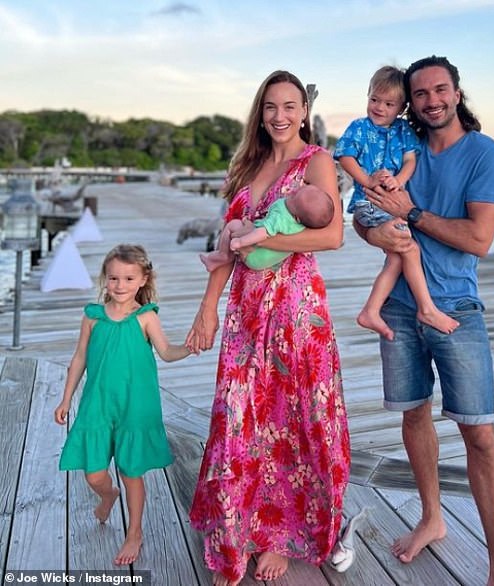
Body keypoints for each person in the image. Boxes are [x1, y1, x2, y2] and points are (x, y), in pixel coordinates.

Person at [354, 56, 494, 586]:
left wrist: (412, 214)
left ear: (456, 91)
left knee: (480, 434)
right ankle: (432, 518)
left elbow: (479, 240)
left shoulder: (486, 155)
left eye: (439, 90)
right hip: (398, 305)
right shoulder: (406, 147)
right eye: (420, 94)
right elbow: (365, 211)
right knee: (413, 414)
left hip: (457, 308)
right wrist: (375, 229)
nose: (430, 101)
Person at [186, 70, 350, 586]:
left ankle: (280, 534)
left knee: (294, 416)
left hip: (296, 308)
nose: (280, 116)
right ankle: (241, 529)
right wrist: (207, 308)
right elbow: (224, 247)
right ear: (260, 113)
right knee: (242, 415)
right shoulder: (248, 166)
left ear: (305, 111)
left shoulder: (316, 162)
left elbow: (332, 238)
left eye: (290, 106)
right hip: (245, 309)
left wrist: (263, 241)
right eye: (270, 107)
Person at [54, 244, 191, 566]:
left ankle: (135, 532)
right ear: (105, 279)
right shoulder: (93, 316)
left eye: (129, 278)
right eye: (113, 278)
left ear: (143, 280)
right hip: (97, 405)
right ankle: (108, 495)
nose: (120, 285)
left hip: (135, 406)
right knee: (94, 475)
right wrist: (66, 398)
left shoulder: (145, 317)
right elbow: (79, 358)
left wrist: (190, 347)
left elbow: (167, 352)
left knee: (132, 471)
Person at [334, 65, 459, 339]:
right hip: (370, 202)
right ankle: (426, 308)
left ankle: (371, 310)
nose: (379, 107)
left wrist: (398, 181)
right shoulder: (359, 127)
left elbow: (410, 160)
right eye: (374, 100)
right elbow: (345, 157)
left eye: (388, 104)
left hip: (390, 199)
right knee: (410, 250)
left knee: (396, 258)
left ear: (401, 107)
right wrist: (367, 181)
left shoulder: (403, 131)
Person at [198, 183, 334, 272]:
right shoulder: (301, 224)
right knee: (249, 225)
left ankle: (222, 256)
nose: (293, 193)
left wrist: (241, 242)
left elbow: (263, 233)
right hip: (268, 259)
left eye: (294, 198)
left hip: (254, 255)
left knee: (233, 225)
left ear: (297, 217)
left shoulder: (282, 216)